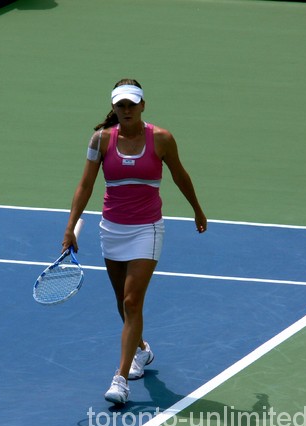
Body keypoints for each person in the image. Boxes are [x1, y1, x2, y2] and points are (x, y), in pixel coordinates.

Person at [61, 79, 207, 405]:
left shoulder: (161, 139)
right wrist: (70, 226)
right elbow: (85, 185)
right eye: (120, 105)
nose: (126, 110)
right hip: (111, 229)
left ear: (143, 105)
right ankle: (141, 351)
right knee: (121, 302)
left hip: (147, 229)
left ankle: (120, 379)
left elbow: (180, 175)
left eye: (131, 104)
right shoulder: (100, 140)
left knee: (131, 302)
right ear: (114, 107)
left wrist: (197, 209)